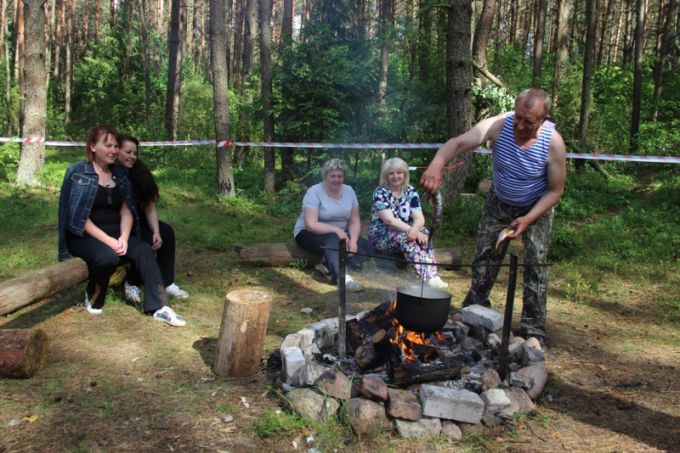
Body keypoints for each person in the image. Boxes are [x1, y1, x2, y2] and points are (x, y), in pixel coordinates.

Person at [421, 88, 566, 344]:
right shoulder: (500, 125)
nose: (519, 125)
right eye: (518, 117)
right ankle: (475, 311)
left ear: (544, 119)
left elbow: (555, 191)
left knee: (536, 265)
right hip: (498, 202)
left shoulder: (553, 143)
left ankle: (533, 329)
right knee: (485, 259)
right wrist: (436, 163)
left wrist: (528, 218)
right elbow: (458, 143)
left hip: (536, 207)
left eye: (528, 121)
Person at [57, 125, 186, 327]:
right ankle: (94, 295)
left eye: (116, 146)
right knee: (108, 256)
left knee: (143, 249)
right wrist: (109, 241)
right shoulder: (78, 172)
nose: (113, 150)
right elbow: (79, 219)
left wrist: (124, 238)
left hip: (117, 233)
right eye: (108, 145)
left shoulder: (120, 174)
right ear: (92, 146)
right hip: (84, 236)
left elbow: (127, 210)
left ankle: (159, 307)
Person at [117, 135, 189, 303]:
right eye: (128, 152)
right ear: (116, 150)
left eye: (135, 153)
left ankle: (167, 281)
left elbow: (149, 205)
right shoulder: (110, 173)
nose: (132, 157)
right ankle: (131, 282)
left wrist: (156, 231)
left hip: (138, 220)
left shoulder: (141, 173)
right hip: (118, 224)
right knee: (144, 240)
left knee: (166, 233)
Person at [293, 158, 373, 291]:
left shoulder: (349, 191)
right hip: (309, 233)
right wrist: (337, 230)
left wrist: (353, 241)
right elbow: (310, 224)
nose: (336, 179)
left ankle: (326, 263)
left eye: (340, 176)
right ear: (325, 176)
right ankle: (343, 277)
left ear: (344, 176)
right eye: (332, 176)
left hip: (339, 235)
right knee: (334, 241)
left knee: (366, 247)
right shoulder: (314, 192)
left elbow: (354, 220)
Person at [368, 157, 448, 289]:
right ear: (386, 175)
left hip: (405, 229)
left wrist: (416, 229)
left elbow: (419, 217)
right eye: (391, 173)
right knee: (407, 238)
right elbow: (390, 220)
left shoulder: (410, 191)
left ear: (405, 174)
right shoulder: (380, 192)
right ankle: (428, 277)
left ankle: (432, 273)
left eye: (399, 173)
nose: (395, 176)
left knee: (426, 233)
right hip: (381, 234)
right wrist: (414, 232)